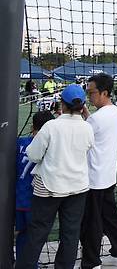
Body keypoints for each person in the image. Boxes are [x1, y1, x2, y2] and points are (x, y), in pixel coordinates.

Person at [16, 84, 95, 269]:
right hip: (78, 188)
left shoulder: (52, 126)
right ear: (82, 106)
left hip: (49, 187)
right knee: (70, 235)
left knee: (37, 234)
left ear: (62, 105)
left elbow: (34, 155)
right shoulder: (87, 128)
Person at [80, 73, 117, 269]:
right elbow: (95, 126)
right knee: (111, 218)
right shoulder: (114, 112)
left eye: (91, 92)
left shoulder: (97, 119)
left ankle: (92, 262)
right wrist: (86, 114)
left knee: (91, 223)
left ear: (105, 93)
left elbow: (81, 136)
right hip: (107, 176)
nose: (89, 96)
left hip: (93, 179)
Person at [15, 111, 54, 264]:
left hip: (18, 199)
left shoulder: (19, 142)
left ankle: (20, 263)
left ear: (32, 126)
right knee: (36, 236)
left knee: (22, 234)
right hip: (37, 201)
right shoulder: (49, 147)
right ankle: (31, 264)